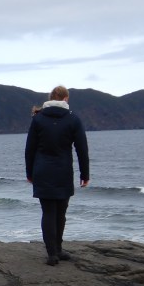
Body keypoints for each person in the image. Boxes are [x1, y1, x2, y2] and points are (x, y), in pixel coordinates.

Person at [24, 85, 90, 265]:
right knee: (61, 212)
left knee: (48, 212)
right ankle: (58, 250)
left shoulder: (38, 119)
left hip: (42, 171)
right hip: (63, 171)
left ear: (50, 98)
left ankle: (52, 253)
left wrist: (29, 173)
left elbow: (29, 150)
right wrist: (85, 174)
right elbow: (82, 150)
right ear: (66, 99)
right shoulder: (73, 119)